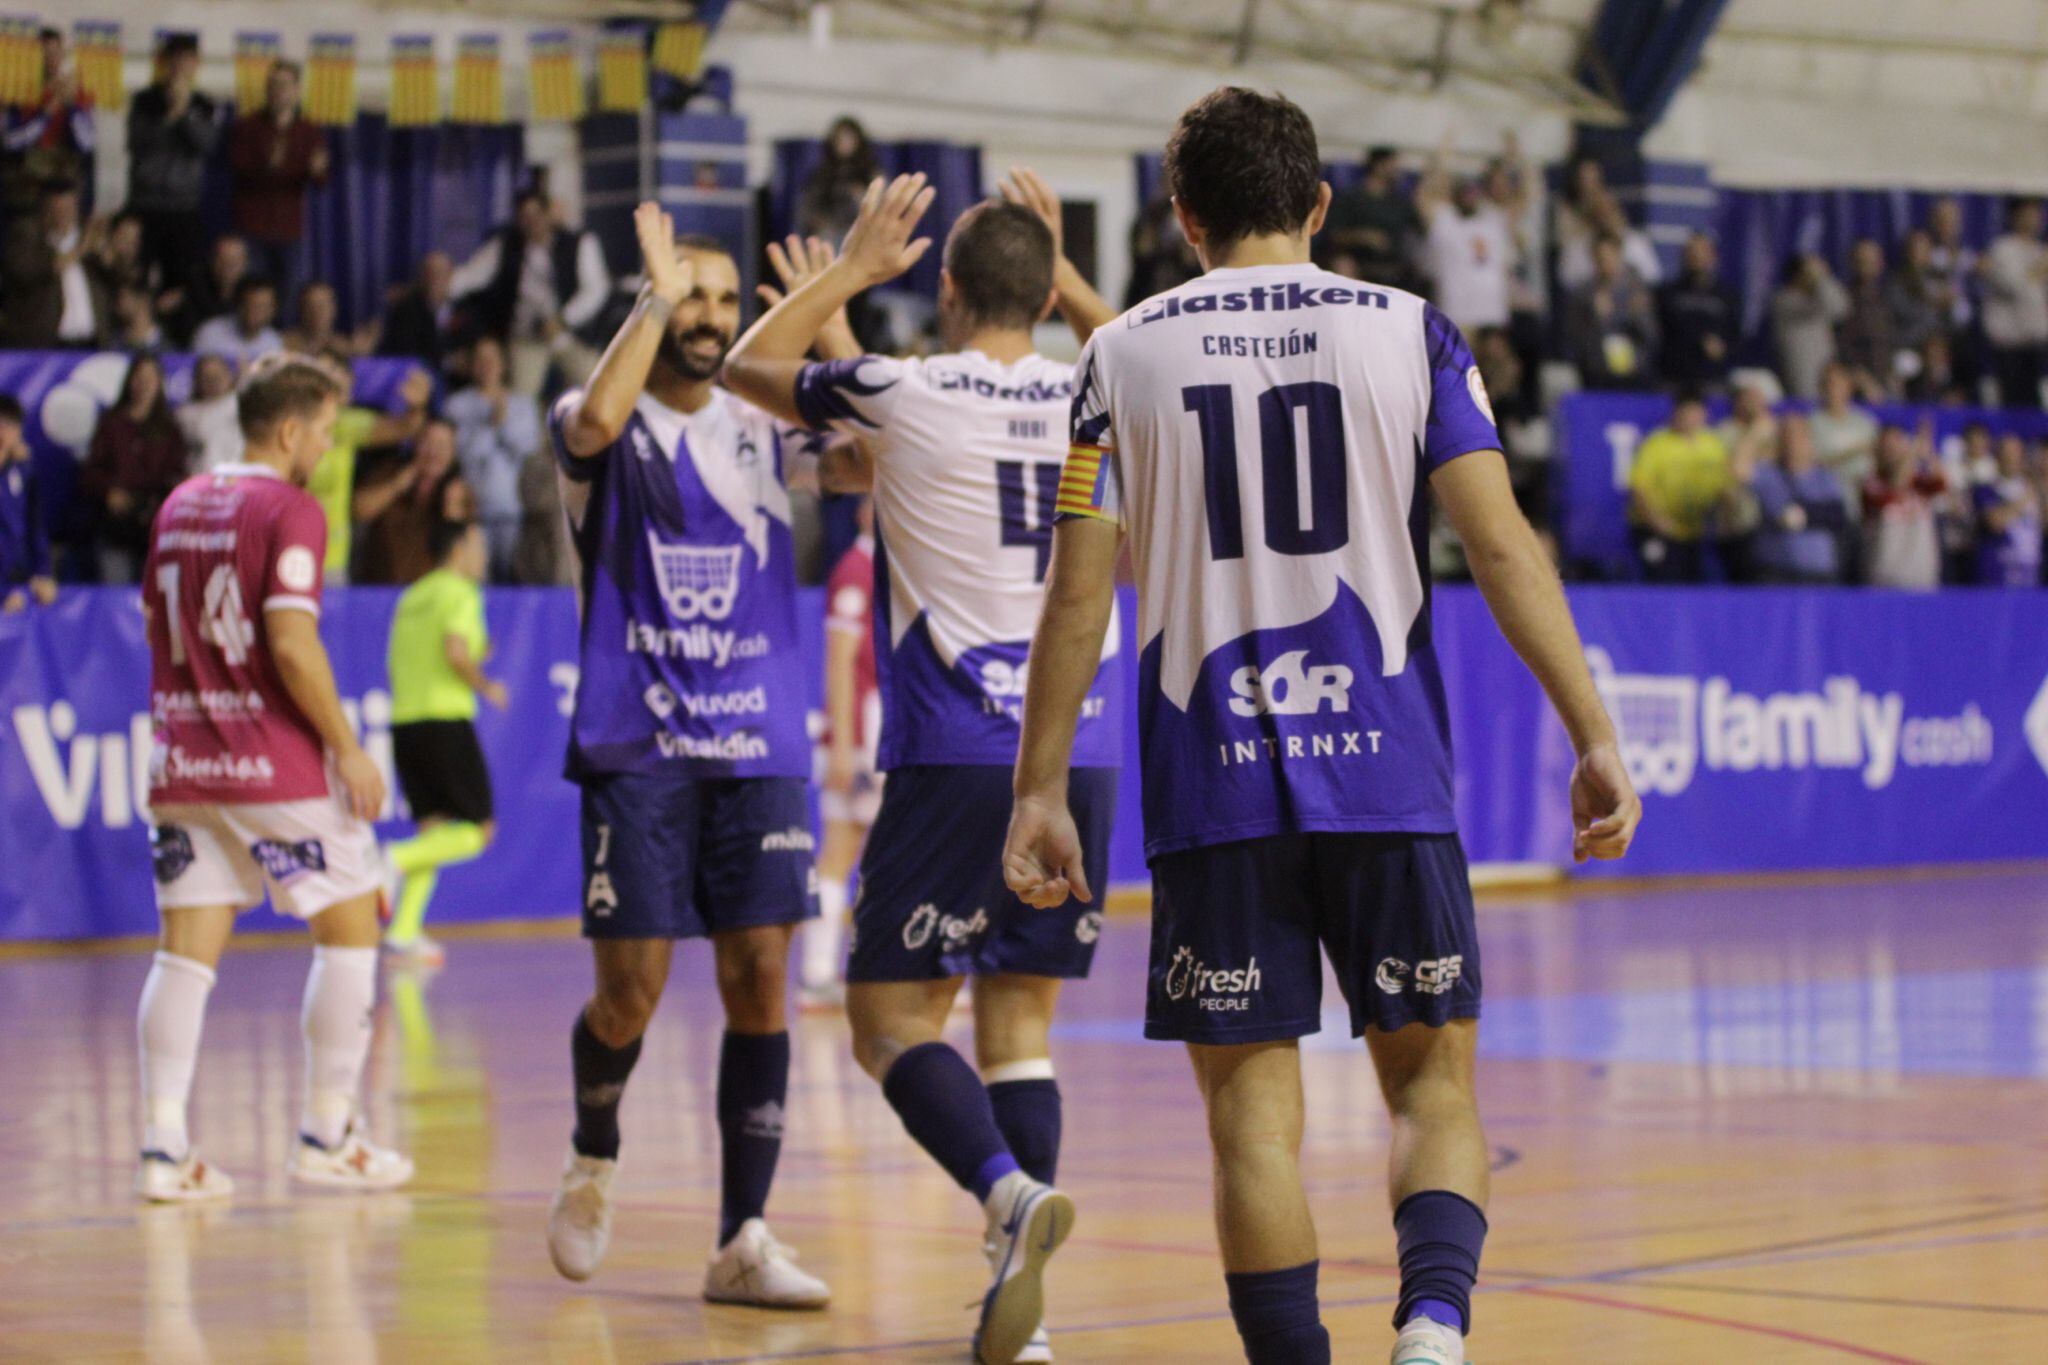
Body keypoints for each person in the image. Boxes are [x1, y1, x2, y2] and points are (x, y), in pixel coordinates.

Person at [1003, 88, 1639, 1365]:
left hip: (1208, 780)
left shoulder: (1114, 356)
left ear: (1182, 218)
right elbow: (1499, 544)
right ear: (1319, 205)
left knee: (1250, 1123)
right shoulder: (1412, 331)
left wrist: (1036, 789)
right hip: (1385, 773)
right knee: (1431, 1087)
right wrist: (1592, 730)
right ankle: (1431, 1331)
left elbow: (1077, 595)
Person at [724, 168, 1123, 1365]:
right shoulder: (1092, 389)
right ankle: (1028, 1320)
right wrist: (1068, 283)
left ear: (941, 289)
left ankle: (1004, 1196)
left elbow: (746, 369)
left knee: (887, 1022)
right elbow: (1147, 353)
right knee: (1018, 1028)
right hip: (1082, 749)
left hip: (959, 752)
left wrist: (848, 273)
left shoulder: (904, 387)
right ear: (1042, 290)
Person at [539, 203, 843, 1309]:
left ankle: (743, 1234)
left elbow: (867, 456)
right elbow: (591, 422)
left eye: (724, 297)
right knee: (631, 994)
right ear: (655, 303)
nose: (710, 316)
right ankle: (592, 1150)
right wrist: (654, 293)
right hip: (638, 745)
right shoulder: (600, 417)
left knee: (761, 973)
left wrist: (835, 318)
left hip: (757, 739)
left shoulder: (765, 428)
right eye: (690, 295)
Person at [136, 352, 413, 1201]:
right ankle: (327, 1133)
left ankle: (162, 1148)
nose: (328, 448)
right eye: (326, 431)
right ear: (290, 429)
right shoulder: (289, 508)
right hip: (273, 762)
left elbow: (154, 618)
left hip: (184, 757)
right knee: (353, 927)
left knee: (184, 955)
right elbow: (292, 642)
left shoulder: (180, 502)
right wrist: (346, 747)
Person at [384, 518, 507, 966]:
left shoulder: (413, 596)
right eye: (478, 545)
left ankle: (402, 932)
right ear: (457, 550)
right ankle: (389, 859)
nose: (484, 556)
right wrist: (487, 686)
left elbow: (413, 655)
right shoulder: (459, 593)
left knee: (434, 830)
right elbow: (455, 651)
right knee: (478, 830)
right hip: (445, 720)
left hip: (406, 723)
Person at [797, 497, 880, 1011]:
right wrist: (846, 749)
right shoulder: (857, 568)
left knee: (881, 857)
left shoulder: (885, 569)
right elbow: (840, 662)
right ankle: (819, 973)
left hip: (873, 738)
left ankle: (859, 972)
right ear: (863, 510)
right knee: (840, 854)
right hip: (857, 743)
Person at [450, 190, 611, 396]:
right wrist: (440, 286)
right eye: (524, 217)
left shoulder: (579, 243)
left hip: (568, 333)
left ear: (548, 214)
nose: (531, 222)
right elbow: (471, 275)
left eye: (536, 215)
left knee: (596, 384)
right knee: (522, 395)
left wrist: (563, 319)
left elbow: (596, 290)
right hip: (525, 336)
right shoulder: (506, 246)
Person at [305, 358, 433, 585]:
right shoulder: (290, 426)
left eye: (341, 375)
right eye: (327, 372)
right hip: (292, 555)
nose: (334, 381)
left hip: (331, 562)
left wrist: (416, 406)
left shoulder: (345, 425)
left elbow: (405, 428)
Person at [126, 34, 222, 289]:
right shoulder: (144, 100)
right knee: (137, 276)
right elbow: (137, 142)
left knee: (180, 281)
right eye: (174, 59)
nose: (179, 66)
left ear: (195, 64)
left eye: (186, 60)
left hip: (184, 207)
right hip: (145, 203)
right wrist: (170, 115)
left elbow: (207, 144)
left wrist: (186, 115)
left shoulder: (204, 104)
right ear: (165, 63)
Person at [227, 61, 329, 299]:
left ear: (296, 90)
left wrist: (312, 170)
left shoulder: (309, 131)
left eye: (284, 85)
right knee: (250, 294)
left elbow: (320, 179)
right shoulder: (248, 127)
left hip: (289, 229)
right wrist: (271, 167)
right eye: (273, 85)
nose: (278, 90)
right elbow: (239, 170)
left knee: (289, 296)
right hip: (252, 226)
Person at [83, 353, 187, 584]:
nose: (144, 384)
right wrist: (109, 492)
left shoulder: (170, 428)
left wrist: (166, 497)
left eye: (151, 378)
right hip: (116, 526)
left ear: (160, 384)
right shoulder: (111, 423)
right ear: (129, 382)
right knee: (115, 593)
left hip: (156, 526)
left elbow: (177, 473)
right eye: (139, 378)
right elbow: (90, 472)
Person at [444, 335, 541, 579]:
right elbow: (463, 453)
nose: (487, 365)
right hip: (474, 512)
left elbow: (529, 448)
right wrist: (491, 424)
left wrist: (504, 425)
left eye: (492, 359)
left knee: (513, 579)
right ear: (472, 365)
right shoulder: (457, 405)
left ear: (503, 364)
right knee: (478, 582)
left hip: (514, 510)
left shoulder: (523, 405)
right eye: (480, 359)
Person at [352, 418, 475, 587]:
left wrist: (453, 507)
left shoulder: (458, 491)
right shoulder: (392, 472)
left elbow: (468, 554)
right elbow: (359, 510)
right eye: (428, 443)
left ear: (453, 453)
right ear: (416, 444)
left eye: (442, 445)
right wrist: (396, 486)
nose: (433, 452)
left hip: (430, 596)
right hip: (379, 590)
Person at [1414, 135, 1517, 338]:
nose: (1469, 195)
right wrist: (1443, 154)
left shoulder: (1493, 218)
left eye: (1473, 191)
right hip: (1457, 313)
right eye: (1464, 191)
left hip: (1492, 314)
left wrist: (1515, 157)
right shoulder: (1444, 220)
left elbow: (1526, 196)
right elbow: (1423, 196)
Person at [1628, 393, 1730, 583]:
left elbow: (1723, 486)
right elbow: (1638, 488)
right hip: (1658, 530)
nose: (1690, 420)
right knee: (1663, 581)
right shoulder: (1657, 443)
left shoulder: (1713, 445)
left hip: (1696, 532)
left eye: (1695, 414)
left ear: (1704, 415)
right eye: (1685, 414)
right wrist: (1658, 522)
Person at [0, 180, 106, 347]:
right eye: (57, 209)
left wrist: (104, 248)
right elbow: (27, 272)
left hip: (92, 343)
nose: (63, 215)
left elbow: (116, 274)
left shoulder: (88, 239)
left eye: (69, 208)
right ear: (45, 210)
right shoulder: (28, 236)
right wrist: (81, 249)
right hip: (47, 345)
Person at [1748, 414, 1849, 584]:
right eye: (1786, 436)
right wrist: (1757, 431)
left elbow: (1837, 515)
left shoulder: (1823, 476)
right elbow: (1738, 469)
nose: (1793, 443)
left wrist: (1805, 515)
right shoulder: (1768, 473)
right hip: (1775, 571)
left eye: (1798, 436)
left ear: (1809, 440)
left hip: (1818, 572)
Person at [1561, 234, 1659, 390]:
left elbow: (1651, 336)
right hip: (1596, 371)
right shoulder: (1583, 294)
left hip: (1634, 371)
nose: (1605, 263)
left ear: (1619, 255)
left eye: (1610, 256)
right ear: (1593, 259)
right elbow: (1573, 339)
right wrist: (1597, 319)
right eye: (1600, 258)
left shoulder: (1637, 291)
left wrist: (1637, 316)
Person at [1980, 197, 2048, 409]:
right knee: (2015, 406)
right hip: (2010, 348)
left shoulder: (2039, 250)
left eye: (2037, 213)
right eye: (2029, 213)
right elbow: (2015, 287)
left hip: (2038, 345)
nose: (2035, 218)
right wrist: (2040, 269)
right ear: (2015, 216)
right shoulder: (2003, 249)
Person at [1321, 147, 1421, 291]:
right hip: (1358, 265)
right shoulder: (1351, 198)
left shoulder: (1399, 202)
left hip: (1392, 267)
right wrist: (1363, 236)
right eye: (1392, 164)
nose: (1397, 169)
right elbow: (1334, 235)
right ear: (1378, 166)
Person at [1861, 423, 1947, 589]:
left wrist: (1928, 453)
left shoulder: (1919, 484)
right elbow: (1896, 486)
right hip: (1885, 580)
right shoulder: (1871, 484)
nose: (1893, 453)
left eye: (1897, 446)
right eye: (1887, 447)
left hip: (1922, 578)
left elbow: (1941, 483)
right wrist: (1912, 453)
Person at [1657, 232, 1736, 393]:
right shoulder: (1666, 293)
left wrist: (1723, 346)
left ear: (1713, 256)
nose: (1697, 257)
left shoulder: (1727, 295)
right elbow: (1662, 331)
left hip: (1712, 379)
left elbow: (1735, 333)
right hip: (1673, 378)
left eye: (1702, 252)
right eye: (1692, 252)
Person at [0, 397, 58, 613]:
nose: (2, 431)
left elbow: (35, 527)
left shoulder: (23, 472)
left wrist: (43, 574)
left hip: (19, 587)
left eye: (9, 425)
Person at [1771, 253, 1848, 400]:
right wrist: (1821, 278)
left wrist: (1823, 278)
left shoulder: (1817, 297)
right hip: (1801, 369)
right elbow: (1825, 306)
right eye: (1810, 271)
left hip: (1825, 366)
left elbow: (1840, 309)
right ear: (1798, 274)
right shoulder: (1783, 300)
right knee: (1807, 404)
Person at [796, 116, 880, 244]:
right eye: (840, 139)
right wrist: (821, 224)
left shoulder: (869, 173)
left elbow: (880, 207)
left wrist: (862, 197)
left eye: (849, 138)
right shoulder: (822, 175)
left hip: (860, 238)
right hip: (828, 238)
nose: (844, 144)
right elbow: (806, 208)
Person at [1975, 433, 2043, 586]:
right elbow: (1995, 522)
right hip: (1998, 576)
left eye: (2015, 453)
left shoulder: (2032, 489)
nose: (2011, 458)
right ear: (1997, 456)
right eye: (2006, 453)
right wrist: (2025, 499)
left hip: (2030, 575)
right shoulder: (1986, 489)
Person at [375, 251, 457, 371]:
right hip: (421, 375)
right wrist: (447, 361)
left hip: (458, 380)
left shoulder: (461, 308)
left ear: (450, 275)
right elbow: (406, 352)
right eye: (430, 273)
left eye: (441, 273)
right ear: (422, 277)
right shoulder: (406, 310)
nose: (435, 279)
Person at [163, 234, 249, 349]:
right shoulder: (192, 290)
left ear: (245, 264)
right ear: (212, 261)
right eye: (222, 260)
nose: (227, 267)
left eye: (234, 261)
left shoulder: (255, 294)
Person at [192, 277, 285, 370]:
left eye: (263, 307)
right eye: (251, 304)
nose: (256, 312)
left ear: (273, 310)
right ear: (239, 304)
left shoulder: (274, 342)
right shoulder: (210, 333)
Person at [177, 353, 245, 473]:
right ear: (197, 381)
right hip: (202, 480)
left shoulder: (241, 403)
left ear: (229, 375)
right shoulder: (185, 414)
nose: (213, 381)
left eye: (218, 375)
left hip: (237, 478)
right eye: (206, 377)